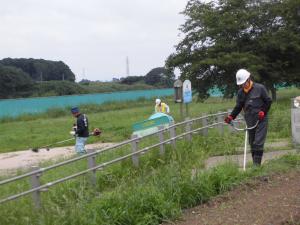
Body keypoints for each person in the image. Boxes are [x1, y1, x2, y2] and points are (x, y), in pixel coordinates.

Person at [224, 69, 272, 166]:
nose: (242, 85)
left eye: (244, 83)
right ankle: (255, 163)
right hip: (249, 119)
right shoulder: (240, 93)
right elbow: (238, 107)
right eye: (241, 84)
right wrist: (231, 117)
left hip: (261, 118)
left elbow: (268, 101)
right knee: (252, 142)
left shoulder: (260, 88)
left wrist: (263, 111)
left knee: (258, 142)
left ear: (248, 79)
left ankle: (256, 166)